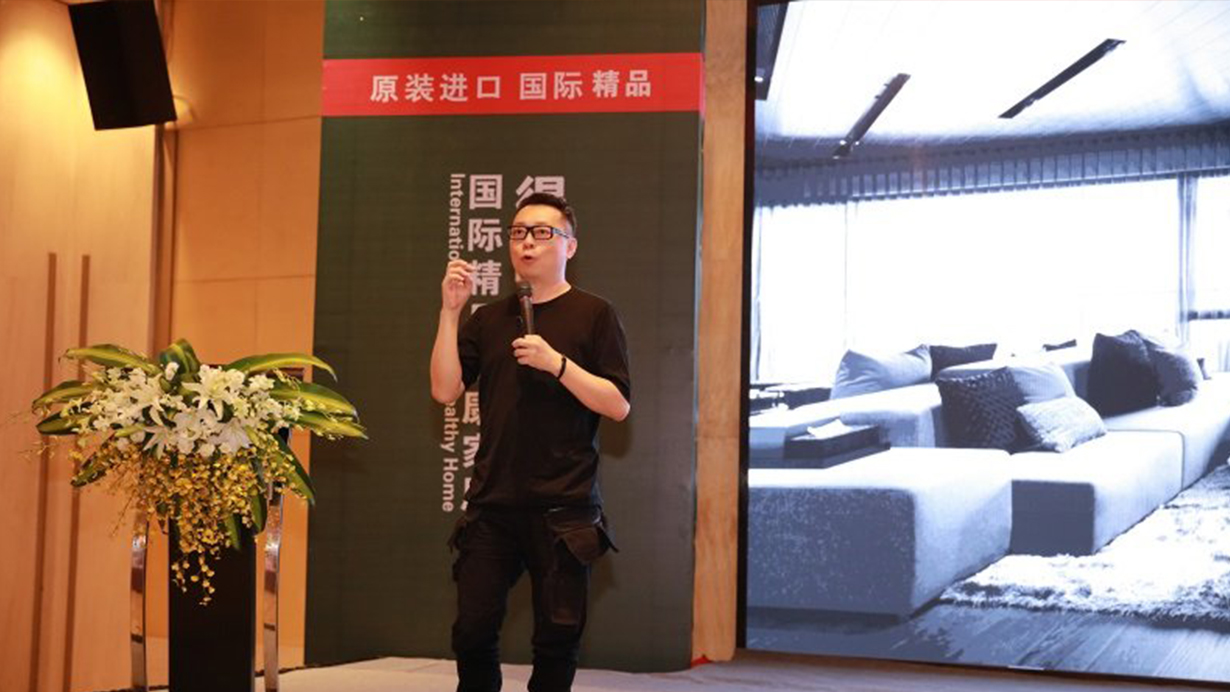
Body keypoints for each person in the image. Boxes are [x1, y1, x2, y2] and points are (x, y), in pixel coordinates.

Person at [429, 192, 631, 692]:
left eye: (543, 233)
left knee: (557, 641)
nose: (527, 243)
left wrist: (556, 364)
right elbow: (444, 390)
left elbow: (617, 404)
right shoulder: (488, 319)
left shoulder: (595, 314)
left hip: (565, 508)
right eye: (518, 233)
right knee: (471, 632)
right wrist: (451, 313)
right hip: (493, 505)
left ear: (570, 246)